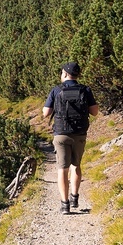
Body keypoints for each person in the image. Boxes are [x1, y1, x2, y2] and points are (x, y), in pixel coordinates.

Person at [42, 62, 99, 214]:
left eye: (62, 73)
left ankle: (65, 204)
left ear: (66, 74)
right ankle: (74, 197)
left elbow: (46, 113)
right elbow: (94, 112)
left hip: (61, 133)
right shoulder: (85, 90)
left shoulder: (56, 90)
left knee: (62, 169)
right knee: (76, 165)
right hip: (79, 133)